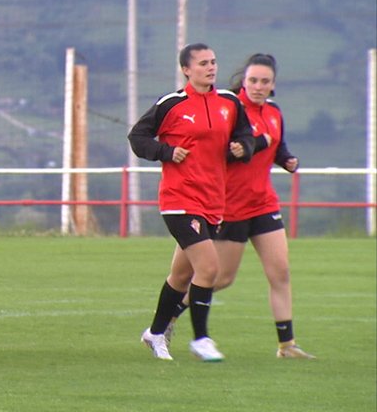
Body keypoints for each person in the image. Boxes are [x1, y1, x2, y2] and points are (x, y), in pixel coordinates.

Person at [128, 43, 254, 362]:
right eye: (202, 63)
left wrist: (243, 147)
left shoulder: (229, 102)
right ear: (186, 69)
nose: (210, 67)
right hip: (179, 200)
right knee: (209, 267)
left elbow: (244, 136)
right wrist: (166, 152)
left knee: (181, 276)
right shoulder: (172, 104)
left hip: (213, 200)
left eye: (213, 62)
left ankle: (155, 334)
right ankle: (201, 339)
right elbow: (138, 138)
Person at [213, 53, 314, 358]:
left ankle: (287, 346)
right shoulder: (229, 110)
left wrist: (287, 160)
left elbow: (277, 146)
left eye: (265, 81)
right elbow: (220, 155)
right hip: (231, 206)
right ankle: (170, 314)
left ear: (273, 84)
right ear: (243, 81)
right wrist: (250, 144)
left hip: (264, 204)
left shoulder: (273, 111)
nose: (258, 86)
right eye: (253, 80)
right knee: (221, 279)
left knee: (280, 273)